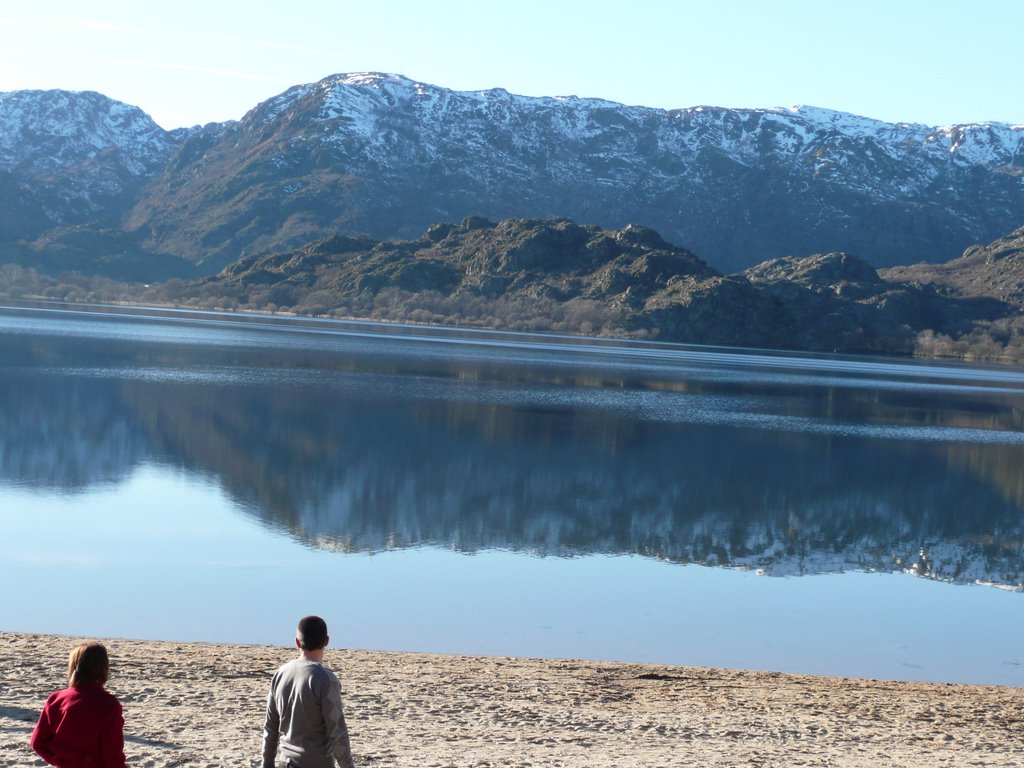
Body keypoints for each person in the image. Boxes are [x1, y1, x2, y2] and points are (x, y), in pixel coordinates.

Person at [262, 615, 355, 768]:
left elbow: (270, 728)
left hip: (286, 762)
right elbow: (337, 733)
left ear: (297, 642)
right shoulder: (326, 679)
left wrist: (266, 764)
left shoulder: (281, 674)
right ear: (326, 641)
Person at [30, 641, 127, 768]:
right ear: (104, 668)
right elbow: (112, 755)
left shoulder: (56, 698)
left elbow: (37, 743)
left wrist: (59, 760)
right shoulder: (109, 704)